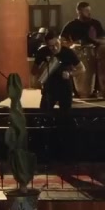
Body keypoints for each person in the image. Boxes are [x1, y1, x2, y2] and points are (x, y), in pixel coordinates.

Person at [32, 33, 80, 161]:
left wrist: (69, 74)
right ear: (46, 45)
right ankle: (45, 151)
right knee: (44, 117)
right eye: (50, 46)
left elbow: (82, 69)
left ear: (59, 41)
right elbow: (33, 71)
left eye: (56, 44)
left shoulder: (68, 52)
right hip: (49, 90)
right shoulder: (42, 52)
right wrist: (43, 68)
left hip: (65, 90)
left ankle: (66, 153)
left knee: (65, 120)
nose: (54, 48)